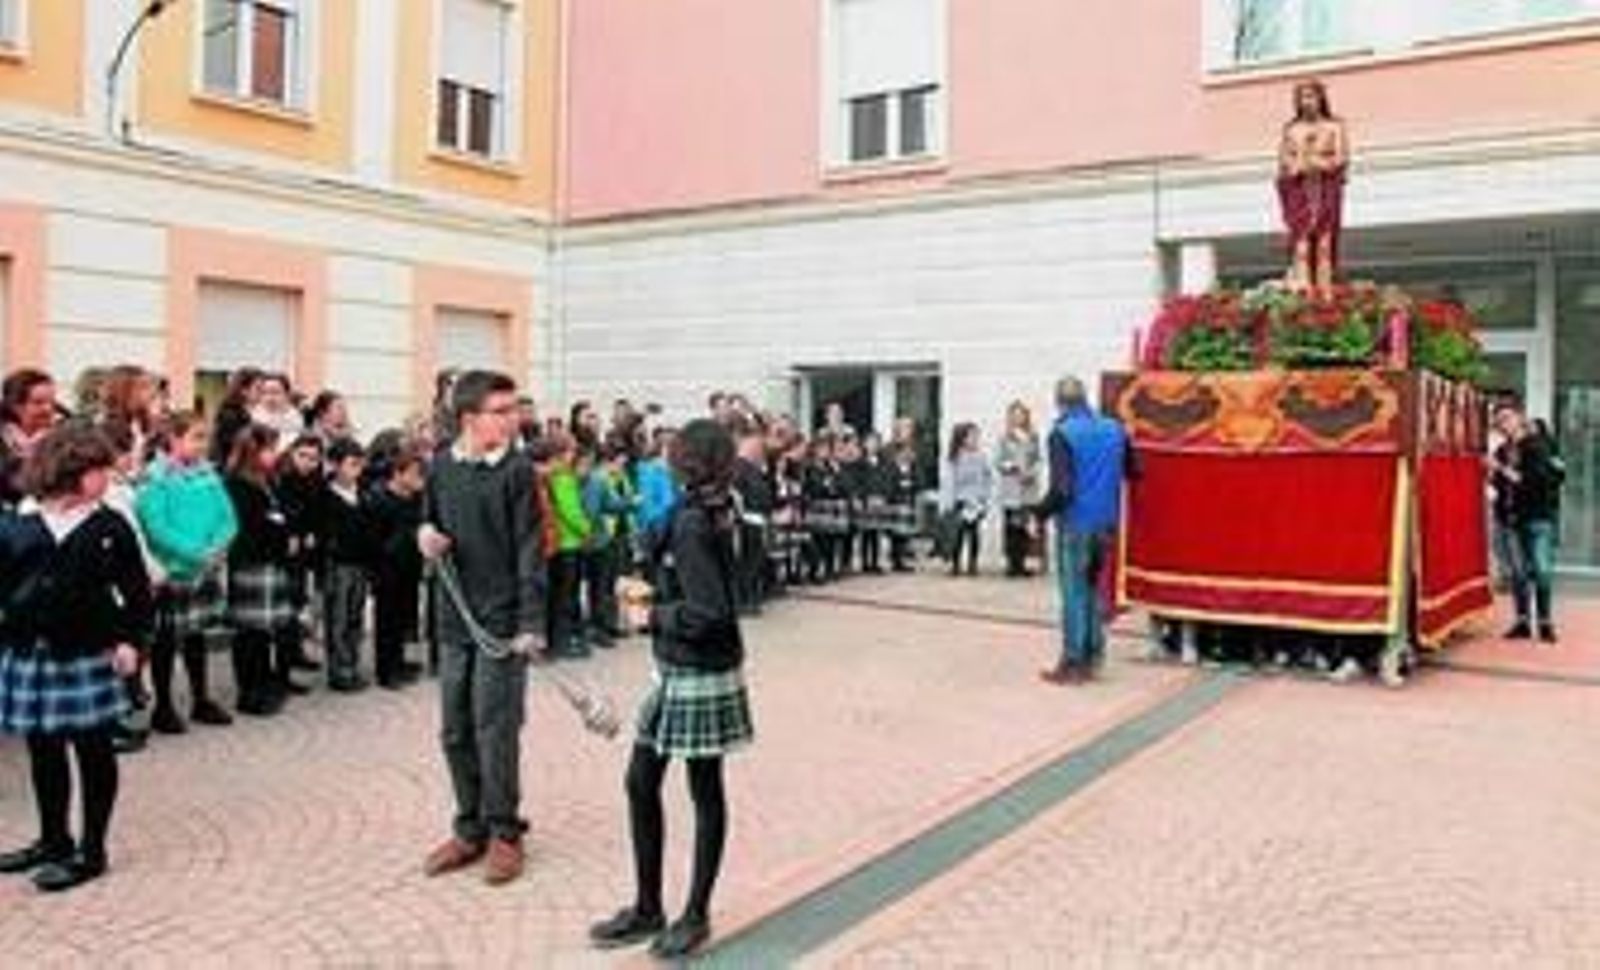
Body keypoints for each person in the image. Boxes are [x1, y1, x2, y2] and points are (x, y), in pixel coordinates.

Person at [589, 419, 753, 960]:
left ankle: (693, 914)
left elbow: (710, 611)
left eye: (674, 453)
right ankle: (649, 907)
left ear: (687, 462)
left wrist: (649, 613)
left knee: (701, 789)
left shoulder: (695, 520)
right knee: (644, 783)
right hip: (688, 665)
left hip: (696, 665)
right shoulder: (713, 505)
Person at [0, 422, 154, 892]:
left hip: (88, 653)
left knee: (93, 752)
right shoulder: (21, 524)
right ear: (70, 470)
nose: (106, 478)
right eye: (98, 470)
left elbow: (138, 593)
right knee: (43, 751)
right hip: (30, 653)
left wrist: (132, 642)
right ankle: (53, 841)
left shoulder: (110, 526)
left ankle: (92, 849)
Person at [417, 370, 546, 887]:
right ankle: (468, 828)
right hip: (454, 620)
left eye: (515, 409)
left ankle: (504, 832)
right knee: (454, 729)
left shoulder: (517, 472)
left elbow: (531, 552)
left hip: (503, 625)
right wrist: (424, 534)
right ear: (470, 418)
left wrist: (531, 624)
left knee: (495, 730)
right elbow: (427, 520)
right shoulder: (442, 466)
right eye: (502, 410)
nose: (514, 419)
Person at [136, 412, 238, 733]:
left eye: (205, 437)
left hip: (204, 568)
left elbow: (228, 516)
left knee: (198, 636)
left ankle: (200, 699)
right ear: (174, 439)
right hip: (174, 572)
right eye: (196, 437)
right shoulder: (155, 477)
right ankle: (163, 707)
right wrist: (197, 553)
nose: (204, 444)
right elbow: (156, 527)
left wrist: (218, 547)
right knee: (166, 641)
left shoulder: (208, 474)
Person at [1036, 377, 1131, 684]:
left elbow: (1062, 489)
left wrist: (1037, 513)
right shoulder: (1115, 428)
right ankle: (1094, 657)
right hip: (1107, 523)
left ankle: (1073, 662)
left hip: (1076, 524)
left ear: (1059, 402)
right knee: (1093, 590)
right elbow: (1133, 470)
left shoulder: (1061, 433)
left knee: (1074, 593)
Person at [224, 424, 305, 716]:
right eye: (269, 448)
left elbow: (279, 516)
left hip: (272, 562)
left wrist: (284, 531)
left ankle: (266, 683)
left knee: (267, 630)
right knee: (250, 632)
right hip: (251, 564)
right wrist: (280, 532)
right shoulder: (236, 484)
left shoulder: (267, 480)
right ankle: (249, 692)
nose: (275, 453)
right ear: (252, 451)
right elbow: (250, 527)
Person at [1495, 405, 1563, 643]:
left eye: (1507, 418)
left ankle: (1545, 623)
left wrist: (1503, 471)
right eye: (1500, 421)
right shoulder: (1502, 451)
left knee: (1542, 571)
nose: (1504, 424)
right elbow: (1498, 485)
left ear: (1519, 420)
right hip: (1510, 519)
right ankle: (1522, 621)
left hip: (1538, 517)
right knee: (1519, 574)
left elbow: (1536, 481)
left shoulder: (1537, 446)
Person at [1277, 79, 1348, 294]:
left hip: (1325, 187)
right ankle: (1305, 293)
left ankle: (1325, 295)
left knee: (1324, 245)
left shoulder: (1335, 125)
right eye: (1302, 98)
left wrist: (1318, 162)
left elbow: (1342, 158)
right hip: (1299, 189)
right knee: (1302, 246)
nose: (1307, 102)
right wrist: (1296, 166)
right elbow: (1284, 162)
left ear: (1321, 98)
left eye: (1311, 96)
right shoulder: (1291, 129)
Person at [366, 440, 427, 690]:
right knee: (386, 622)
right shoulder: (380, 499)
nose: (418, 479)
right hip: (387, 572)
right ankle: (386, 671)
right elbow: (374, 541)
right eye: (413, 474)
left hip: (410, 568)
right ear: (398, 474)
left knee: (402, 620)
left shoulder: (415, 499)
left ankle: (400, 662)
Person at [321, 438, 373, 691]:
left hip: (360, 563)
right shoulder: (326, 495)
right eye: (352, 464)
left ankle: (352, 664)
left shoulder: (363, 493)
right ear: (335, 465)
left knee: (355, 617)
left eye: (360, 465)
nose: (357, 470)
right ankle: (339, 671)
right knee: (338, 619)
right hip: (338, 565)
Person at [546, 432, 593, 659]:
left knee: (562, 595)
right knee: (566, 596)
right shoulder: (563, 478)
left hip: (562, 543)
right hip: (568, 543)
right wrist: (587, 530)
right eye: (571, 451)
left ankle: (560, 640)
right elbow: (570, 511)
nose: (573, 455)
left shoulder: (557, 476)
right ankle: (562, 643)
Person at [996, 401, 1043, 578]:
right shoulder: (1005, 437)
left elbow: (1038, 459)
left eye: (1021, 414)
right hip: (1011, 488)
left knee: (1024, 528)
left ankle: (1021, 564)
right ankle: (1011, 564)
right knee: (1010, 528)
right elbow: (999, 461)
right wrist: (1013, 467)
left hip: (1028, 489)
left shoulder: (1033, 436)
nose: (1018, 417)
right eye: (1014, 414)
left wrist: (1031, 473)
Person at [0, 368, 60, 508]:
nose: (48, 409)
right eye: (38, 403)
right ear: (15, 406)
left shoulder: (64, 436)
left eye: (52, 401)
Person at [940, 423, 992, 577]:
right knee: (958, 535)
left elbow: (987, 477)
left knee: (974, 534)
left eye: (976, 436)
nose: (975, 439)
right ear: (963, 438)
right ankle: (955, 564)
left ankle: (972, 564)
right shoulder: (955, 457)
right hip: (960, 501)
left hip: (976, 501)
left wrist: (984, 499)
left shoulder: (981, 456)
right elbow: (950, 481)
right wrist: (949, 503)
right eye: (971, 436)